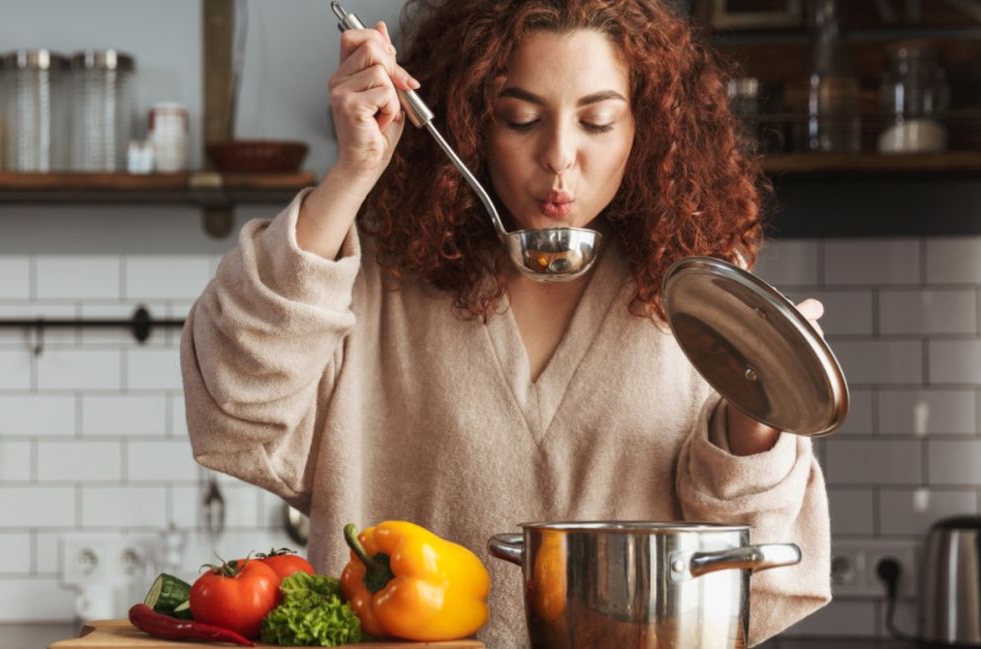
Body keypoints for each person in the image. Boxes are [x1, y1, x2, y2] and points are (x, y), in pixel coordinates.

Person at [181, 1, 830, 647]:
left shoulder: (700, 292)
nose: (559, 158)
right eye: (520, 118)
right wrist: (353, 174)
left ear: (648, 126)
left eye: (598, 121)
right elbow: (237, 401)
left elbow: (756, 554)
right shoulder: (378, 271)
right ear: (468, 120)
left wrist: (759, 413)